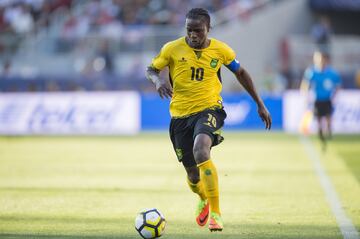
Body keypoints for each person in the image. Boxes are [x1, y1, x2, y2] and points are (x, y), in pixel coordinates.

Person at [145, 8, 271, 232]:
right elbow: (151, 69)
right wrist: (157, 81)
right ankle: (202, 197)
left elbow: (240, 73)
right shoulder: (172, 49)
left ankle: (216, 213)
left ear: (208, 29)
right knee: (193, 176)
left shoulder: (220, 50)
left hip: (209, 109)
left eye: (198, 31)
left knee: (201, 151)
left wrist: (260, 104)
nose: (193, 35)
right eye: (189, 30)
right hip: (180, 117)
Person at [301, 50, 341, 150]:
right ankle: (321, 135)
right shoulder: (312, 72)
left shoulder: (332, 73)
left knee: (328, 118)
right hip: (317, 99)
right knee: (318, 119)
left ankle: (329, 131)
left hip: (327, 99)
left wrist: (334, 96)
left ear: (325, 60)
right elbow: (305, 84)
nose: (320, 61)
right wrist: (305, 94)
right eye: (318, 58)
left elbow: (338, 86)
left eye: (322, 58)